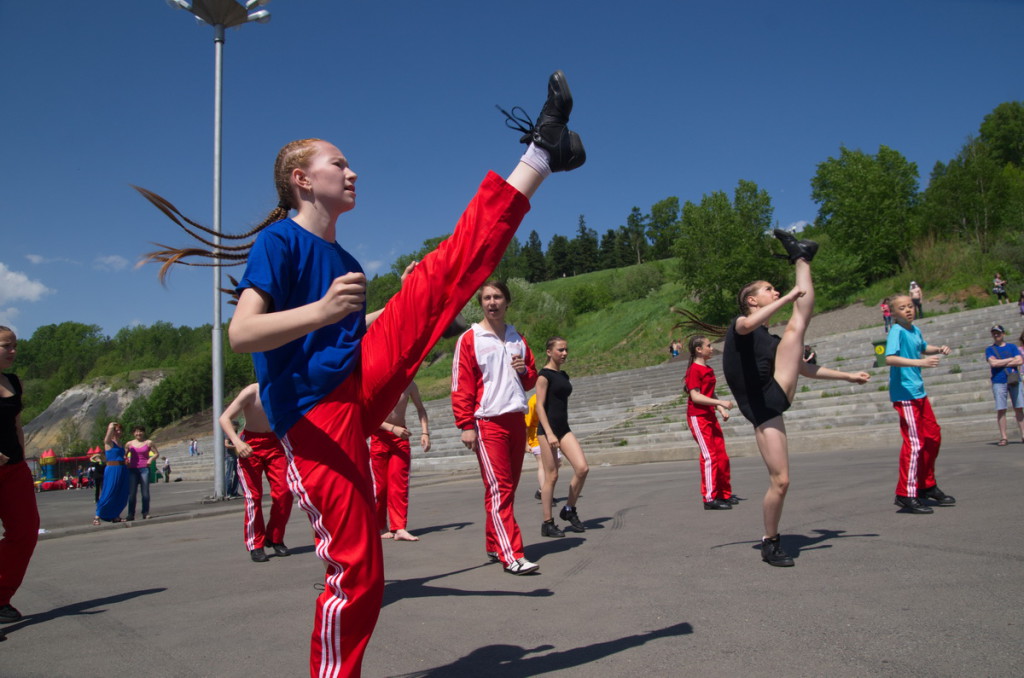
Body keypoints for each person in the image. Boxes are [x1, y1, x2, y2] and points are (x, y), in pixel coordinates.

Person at [137, 71, 584, 676]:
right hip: (312, 416)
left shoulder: (346, 261)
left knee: (439, 276)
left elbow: (344, 328)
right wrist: (324, 310)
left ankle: (539, 153)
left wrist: (382, 310)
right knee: (358, 567)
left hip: (354, 380)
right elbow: (242, 334)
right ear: (302, 180)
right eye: (338, 164)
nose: (352, 172)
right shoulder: (279, 243)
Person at [678, 231, 870, 567]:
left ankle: (802, 258)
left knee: (797, 327)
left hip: (776, 398)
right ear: (751, 299)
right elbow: (749, 323)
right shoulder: (739, 325)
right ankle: (770, 541)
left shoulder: (769, 340)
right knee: (780, 481)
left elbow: (805, 370)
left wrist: (848, 376)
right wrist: (792, 295)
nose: (775, 292)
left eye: (776, 290)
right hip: (762, 406)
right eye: (768, 289)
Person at [453, 281, 541, 569]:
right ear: (481, 303)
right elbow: (461, 385)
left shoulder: (517, 338)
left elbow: (530, 380)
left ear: (507, 301)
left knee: (506, 488)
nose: (492, 302)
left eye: (498, 297)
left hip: (516, 419)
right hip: (487, 422)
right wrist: (465, 424)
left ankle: (494, 543)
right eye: (487, 298)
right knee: (500, 488)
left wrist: (525, 370)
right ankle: (512, 555)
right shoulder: (470, 338)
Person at [885, 294, 956, 514]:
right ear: (893, 313)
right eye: (902, 307)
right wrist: (921, 362)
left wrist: (938, 349)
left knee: (933, 436)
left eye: (910, 306)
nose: (908, 310)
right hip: (904, 394)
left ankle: (926, 485)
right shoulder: (896, 331)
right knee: (915, 443)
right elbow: (890, 358)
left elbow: (923, 346)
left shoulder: (915, 330)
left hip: (919, 393)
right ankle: (905, 493)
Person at [220, 384, 294, 563]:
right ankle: (256, 544)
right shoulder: (251, 392)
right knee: (253, 497)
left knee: (285, 492)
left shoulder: (282, 387)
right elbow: (225, 418)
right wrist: (237, 442)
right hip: (250, 444)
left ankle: (274, 537)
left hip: (274, 443)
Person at [0, 326, 39, 625]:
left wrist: (22, 458)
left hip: (14, 470)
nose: (13, 351)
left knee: (26, 531)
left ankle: (1, 597)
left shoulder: (13, 382)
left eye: (15, 345)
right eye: (6, 346)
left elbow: (16, 423)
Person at [534, 336, 589, 536]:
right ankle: (547, 523)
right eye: (560, 350)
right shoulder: (543, 376)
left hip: (563, 428)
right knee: (552, 476)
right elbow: (539, 406)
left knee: (582, 468)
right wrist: (548, 433)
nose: (564, 353)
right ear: (549, 352)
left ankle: (569, 509)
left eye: (566, 349)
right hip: (547, 430)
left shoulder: (563, 375)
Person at [369, 381, 430, 542]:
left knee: (399, 484)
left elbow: (421, 409)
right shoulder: (378, 381)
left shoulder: (409, 384)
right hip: (380, 436)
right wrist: (391, 428)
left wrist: (425, 433)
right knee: (380, 487)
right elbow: (369, 414)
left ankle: (399, 527)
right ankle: (380, 525)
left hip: (400, 438)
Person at [683, 335, 736, 510]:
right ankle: (709, 498)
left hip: (709, 416)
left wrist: (720, 409)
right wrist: (720, 403)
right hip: (698, 417)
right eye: (708, 346)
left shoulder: (708, 369)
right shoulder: (694, 370)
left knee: (721, 455)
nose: (711, 348)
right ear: (699, 349)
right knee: (709, 456)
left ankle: (723, 493)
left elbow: (710, 393)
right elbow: (695, 396)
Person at [985, 324, 1024, 446]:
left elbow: (1020, 360)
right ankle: (1004, 437)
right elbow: (993, 363)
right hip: (998, 380)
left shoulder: (1012, 347)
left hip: (1013, 379)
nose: (996, 335)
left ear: (1003, 334)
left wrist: (1000, 362)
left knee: (1019, 407)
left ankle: (1023, 435)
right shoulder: (990, 349)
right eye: (994, 333)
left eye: (998, 333)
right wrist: (1009, 360)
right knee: (1001, 409)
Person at [525, 393, 559, 506]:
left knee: (556, 463)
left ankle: (541, 490)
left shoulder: (552, 397)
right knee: (543, 465)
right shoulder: (533, 400)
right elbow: (526, 424)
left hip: (550, 435)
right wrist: (525, 443)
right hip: (536, 436)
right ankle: (547, 495)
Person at [94, 422, 130, 524]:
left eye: (119, 430)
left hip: (122, 468)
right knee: (109, 491)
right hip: (112, 469)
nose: (118, 432)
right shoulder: (109, 442)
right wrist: (111, 426)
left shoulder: (120, 443)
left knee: (121, 492)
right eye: (116, 430)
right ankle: (97, 516)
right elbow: (106, 438)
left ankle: (115, 514)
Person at [124, 426, 158, 520]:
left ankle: (145, 512)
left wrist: (150, 459)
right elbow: (124, 455)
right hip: (133, 469)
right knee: (132, 493)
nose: (138, 434)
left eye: (140, 432)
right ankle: (131, 514)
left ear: (143, 432)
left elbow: (156, 453)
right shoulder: (129, 444)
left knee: (145, 492)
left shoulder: (148, 442)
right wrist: (126, 460)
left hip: (144, 469)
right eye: (136, 432)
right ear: (133, 433)